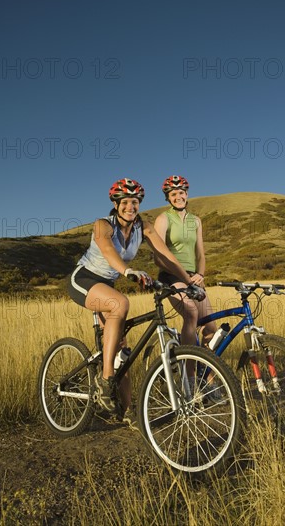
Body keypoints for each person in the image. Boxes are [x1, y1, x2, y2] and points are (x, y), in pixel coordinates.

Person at [67, 178, 203, 420]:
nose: (130, 207)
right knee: (121, 303)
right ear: (116, 204)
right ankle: (106, 378)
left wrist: (188, 282)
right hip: (84, 279)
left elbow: (167, 255)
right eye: (126, 202)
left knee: (123, 350)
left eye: (135, 202)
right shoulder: (103, 225)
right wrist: (127, 271)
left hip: (105, 285)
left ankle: (126, 412)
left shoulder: (144, 227)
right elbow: (108, 252)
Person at [154, 175, 217, 353]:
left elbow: (200, 254)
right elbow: (158, 257)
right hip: (171, 275)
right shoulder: (163, 219)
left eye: (181, 193)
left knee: (211, 327)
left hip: (192, 277)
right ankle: (188, 378)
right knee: (191, 314)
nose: (178, 197)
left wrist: (201, 275)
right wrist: (185, 277)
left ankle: (208, 378)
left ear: (187, 194)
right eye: (173, 194)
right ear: (168, 197)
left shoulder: (195, 221)